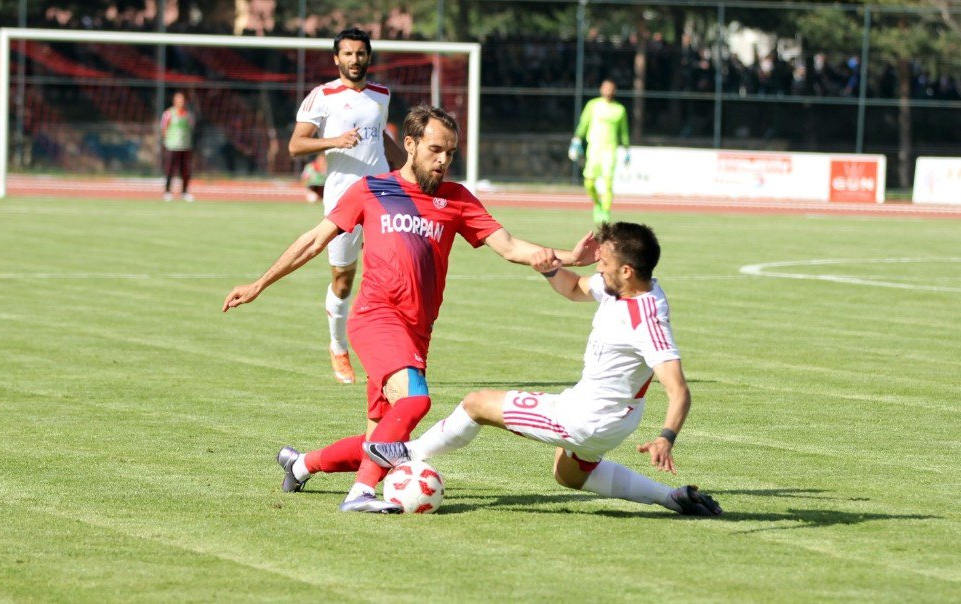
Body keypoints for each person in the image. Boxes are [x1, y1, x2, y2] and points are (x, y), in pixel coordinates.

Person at [223, 104, 596, 513]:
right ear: (410, 144)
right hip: (375, 318)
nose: (444, 160)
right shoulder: (372, 189)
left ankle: (301, 464)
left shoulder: (456, 199)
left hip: (418, 330)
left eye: (451, 153)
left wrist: (570, 258)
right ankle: (359, 495)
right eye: (436, 149)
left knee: (380, 444)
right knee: (416, 401)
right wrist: (260, 283)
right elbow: (315, 240)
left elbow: (509, 246)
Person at [364, 221, 722, 517]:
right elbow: (573, 287)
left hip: (588, 418)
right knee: (569, 475)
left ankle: (410, 453)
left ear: (627, 271)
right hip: (606, 414)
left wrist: (666, 437)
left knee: (476, 404)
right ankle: (671, 498)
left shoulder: (646, 318)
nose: (598, 266)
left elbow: (679, 391)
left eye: (605, 262)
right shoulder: (620, 287)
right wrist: (550, 267)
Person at [287, 27, 408, 385]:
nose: (355, 59)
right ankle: (338, 346)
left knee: (394, 273)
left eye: (361, 53)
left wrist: (408, 169)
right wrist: (335, 141)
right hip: (343, 198)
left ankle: (388, 351)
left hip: (383, 196)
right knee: (342, 280)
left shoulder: (381, 95)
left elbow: (380, 139)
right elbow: (295, 145)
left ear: (369, 56)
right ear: (336, 58)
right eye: (348, 54)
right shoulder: (321, 96)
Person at [568, 80, 630, 224]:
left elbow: (624, 131)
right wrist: (577, 139)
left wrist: (627, 148)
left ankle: (606, 212)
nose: (608, 90)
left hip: (610, 149)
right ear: (601, 89)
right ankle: (597, 204)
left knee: (608, 182)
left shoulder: (619, 109)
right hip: (594, 148)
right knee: (589, 182)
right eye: (605, 88)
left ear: (614, 90)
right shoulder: (593, 105)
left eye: (611, 88)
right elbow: (584, 123)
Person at [161, 91, 197, 201]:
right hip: (172, 146)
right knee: (170, 170)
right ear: (174, 101)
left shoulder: (188, 114)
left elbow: (192, 127)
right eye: (179, 100)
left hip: (185, 146)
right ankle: (167, 191)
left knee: (186, 170)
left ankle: (185, 192)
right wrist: (167, 139)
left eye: (182, 100)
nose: (181, 102)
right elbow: (164, 128)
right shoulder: (169, 113)